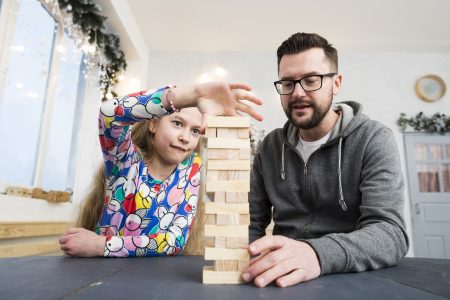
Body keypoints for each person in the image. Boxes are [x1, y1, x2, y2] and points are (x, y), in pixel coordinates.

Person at [244, 32, 408, 287]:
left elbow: (390, 234)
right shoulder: (270, 146)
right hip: (280, 280)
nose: (297, 93)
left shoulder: (373, 139)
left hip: (350, 278)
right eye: (287, 83)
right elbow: (252, 223)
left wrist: (315, 254)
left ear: (337, 83)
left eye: (311, 80)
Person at [59, 82, 263, 257]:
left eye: (194, 130)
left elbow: (174, 242)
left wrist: (102, 245)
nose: (185, 137)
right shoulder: (125, 160)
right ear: (153, 125)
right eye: (177, 123)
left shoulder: (191, 172)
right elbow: (109, 113)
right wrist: (191, 95)